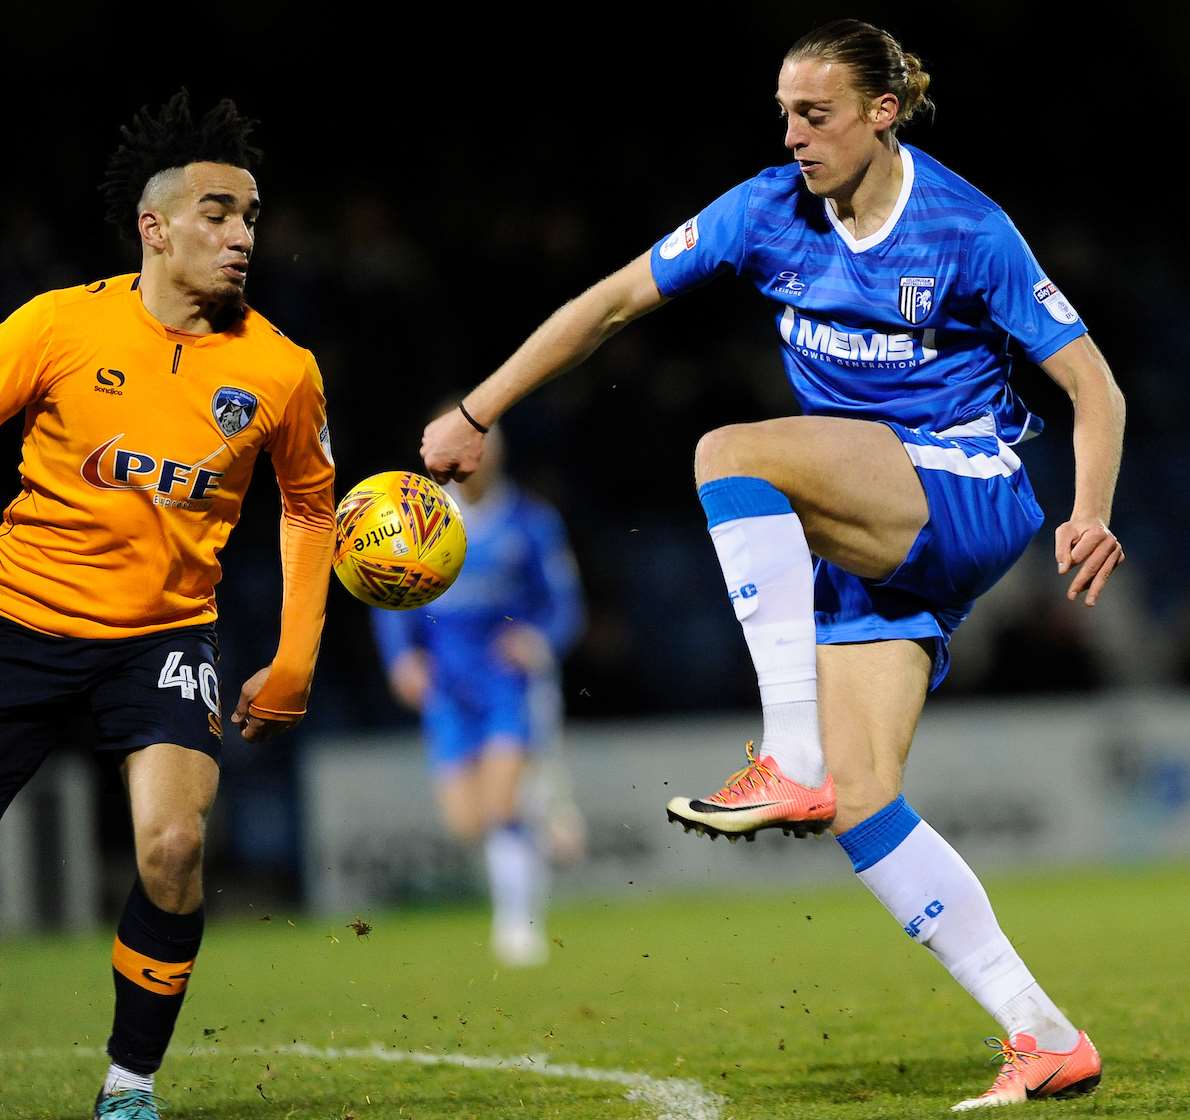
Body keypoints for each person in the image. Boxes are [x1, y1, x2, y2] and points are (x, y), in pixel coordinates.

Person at [420, 19, 1124, 1111]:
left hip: (968, 488)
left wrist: (1088, 512)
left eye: (816, 114)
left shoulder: (964, 228)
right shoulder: (762, 211)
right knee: (864, 804)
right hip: (869, 524)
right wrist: (479, 409)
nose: (792, 135)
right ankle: (1040, 1035)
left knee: (727, 454)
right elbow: (608, 303)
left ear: (881, 113)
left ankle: (783, 749)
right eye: (783, 114)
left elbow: (1095, 388)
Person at [0, 91, 336, 1119]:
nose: (242, 236)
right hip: (20, 624)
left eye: (250, 217)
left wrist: (294, 659)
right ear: (155, 227)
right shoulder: (57, 325)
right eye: (217, 214)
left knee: (174, 846)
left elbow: (311, 510)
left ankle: (129, 1083)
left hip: (162, 641)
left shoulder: (280, 370)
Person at [373, 423, 584, 965]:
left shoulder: (531, 522)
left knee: (500, 803)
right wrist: (403, 658)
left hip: (504, 680)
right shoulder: (417, 522)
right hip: (447, 686)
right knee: (466, 821)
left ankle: (518, 925)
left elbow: (564, 603)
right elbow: (387, 591)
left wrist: (540, 638)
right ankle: (546, 806)